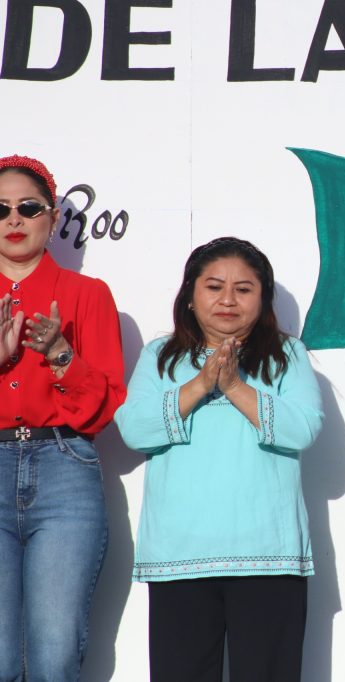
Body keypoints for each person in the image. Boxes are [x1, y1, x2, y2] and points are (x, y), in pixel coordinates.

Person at [114, 237, 323, 682]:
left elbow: (302, 430)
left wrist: (234, 387)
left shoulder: (288, 357)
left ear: (263, 300)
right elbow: (134, 429)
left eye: (244, 289)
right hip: (181, 555)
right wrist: (201, 383)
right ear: (190, 295)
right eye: (214, 287)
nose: (228, 300)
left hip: (266, 555)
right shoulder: (161, 356)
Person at [0, 154, 126, 680]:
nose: (13, 220)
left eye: (28, 208)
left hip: (63, 463)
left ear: (53, 219)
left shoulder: (87, 295)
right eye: (0, 208)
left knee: (55, 653)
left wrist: (59, 355)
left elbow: (102, 406)